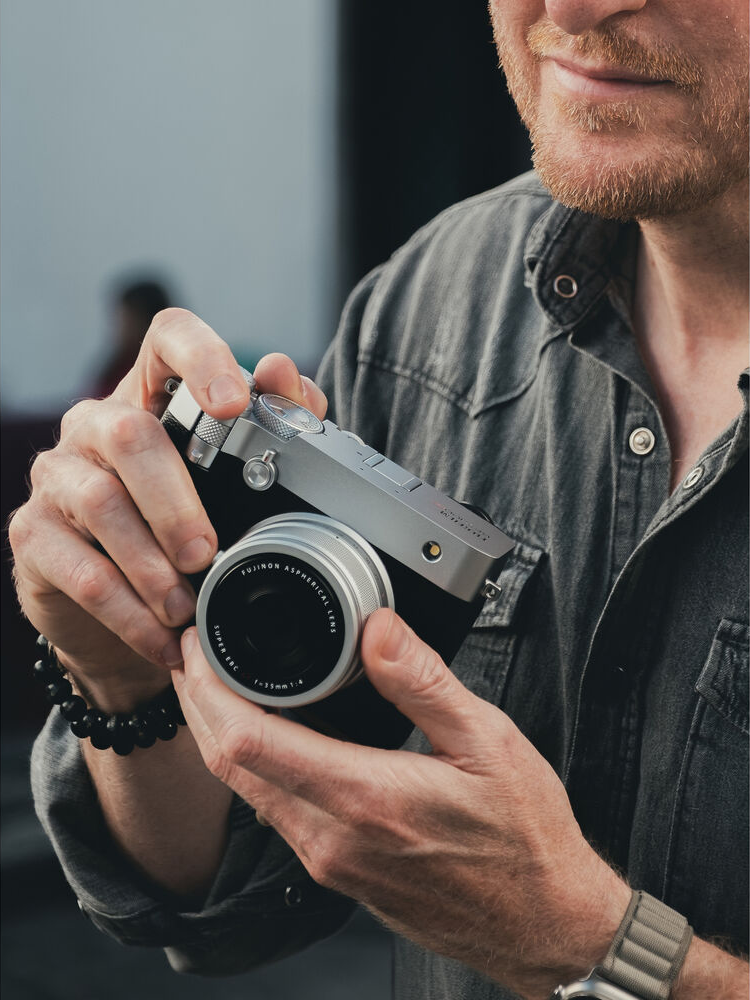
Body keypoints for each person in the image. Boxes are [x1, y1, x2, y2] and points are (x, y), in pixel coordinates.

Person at [9, 1, 748, 998]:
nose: (571, 7)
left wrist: (597, 950)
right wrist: (122, 670)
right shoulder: (433, 301)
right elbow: (229, 891)